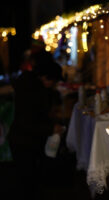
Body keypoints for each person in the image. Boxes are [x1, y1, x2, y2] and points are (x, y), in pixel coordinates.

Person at [8, 57, 65, 199]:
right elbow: (28, 122)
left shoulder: (28, 83)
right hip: (25, 141)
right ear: (46, 77)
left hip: (20, 139)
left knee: (24, 180)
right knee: (27, 182)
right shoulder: (33, 91)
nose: (54, 85)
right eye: (54, 81)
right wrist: (50, 129)